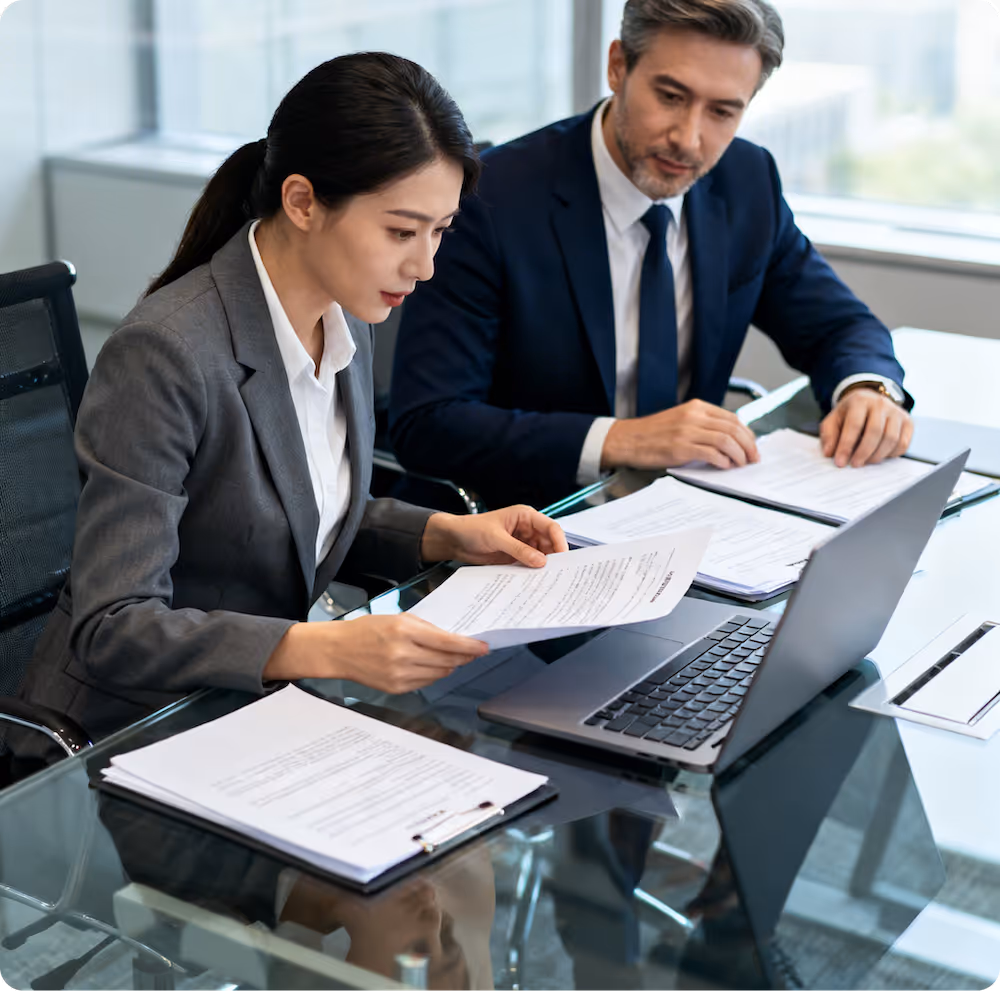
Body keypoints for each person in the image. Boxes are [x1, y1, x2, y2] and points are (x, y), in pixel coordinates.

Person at [13, 53, 567, 753]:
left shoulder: (349, 315)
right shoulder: (167, 352)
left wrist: (452, 534)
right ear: (302, 202)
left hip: (254, 710)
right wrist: (328, 647)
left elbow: (290, 511)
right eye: (401, 231)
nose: (424, 265)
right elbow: (113, 626)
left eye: (440, 231)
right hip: (125, 739)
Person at [388, 0, 914, 512]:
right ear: (618, 66)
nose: (688, 139)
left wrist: (867, 388)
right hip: (525, 525)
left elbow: (839, 326)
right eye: (670, 96)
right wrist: (621, 439)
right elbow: (429, 423)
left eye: (722, 112)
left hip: (690, 511)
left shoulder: (747, 182)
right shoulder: (492, 198)